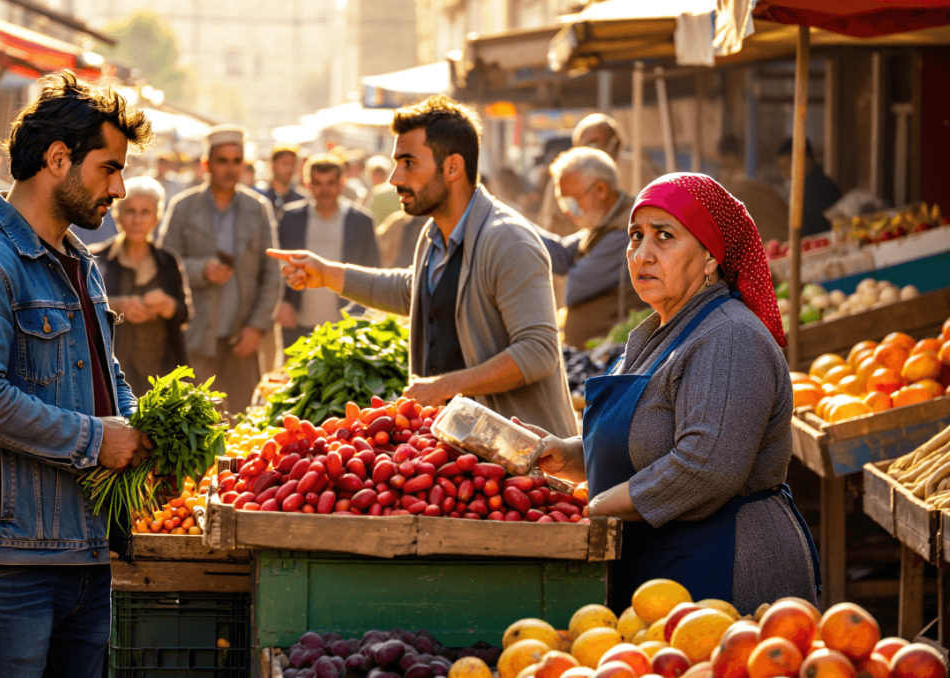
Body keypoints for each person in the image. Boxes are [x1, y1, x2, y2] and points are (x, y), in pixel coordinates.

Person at [0, 73, 153, 675]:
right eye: (109, 168)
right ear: (59, 159)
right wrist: (98, 440)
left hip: (87, 551)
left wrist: (138, 427)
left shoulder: (81, 264)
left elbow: (108, 374)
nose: (121, 188)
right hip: (11, 562)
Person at [532, 172, 820, 614]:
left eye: (664, 237)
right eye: (635, 236)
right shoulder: (658, 333)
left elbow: (707, 467)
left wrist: (597, 506)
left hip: (728, 573)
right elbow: (651, 435)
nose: (642, 254)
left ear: (709, 256)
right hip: (668, 568)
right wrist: (573, 456)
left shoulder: (728, 337)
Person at [269, 95, 575, 436]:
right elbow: (412, 289)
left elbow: (538, 352)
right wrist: (326, 274)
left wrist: (444, 386)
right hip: (466, 451)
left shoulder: (507, 240)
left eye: (409, 163)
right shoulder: (434, 234)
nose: (395, 178)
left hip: (524, 458)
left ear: (453, 167)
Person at [158, 125, 282, 414]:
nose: (230, 168)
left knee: (241, 428)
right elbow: (164, 266)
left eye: (236, 161)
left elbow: (271, 273)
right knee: (196, 425)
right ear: (206, 164)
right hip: (197, 339)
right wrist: (201, 270)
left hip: (243, 339)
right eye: (222, 161)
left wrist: (256, 327)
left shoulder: (257, 208)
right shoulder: (183, 207)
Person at [90, 176, 191, 391]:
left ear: (156, 218)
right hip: (109, 377)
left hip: (161, 376)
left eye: (145, 212)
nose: (137, 220)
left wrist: (168, 306)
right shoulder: (96, 259)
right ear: (118, 216)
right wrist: (116, 306)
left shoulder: (167, 262)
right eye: (130, 211)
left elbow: (184, 315)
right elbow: (79, 310)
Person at [541, 147, 646, 349]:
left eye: (572, 201)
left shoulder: (625, 232)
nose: (568, 211)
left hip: (611, 360)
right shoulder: (602, 224)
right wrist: (513, 226)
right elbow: (562, 254)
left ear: (601, 189)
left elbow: (573, 287)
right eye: (563, 202)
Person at [276, 153, 381, 346]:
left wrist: (361, 317)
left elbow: (373, 270)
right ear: (307, 184)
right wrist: (281, 302)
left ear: (342, 183)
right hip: (298, 324)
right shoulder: (291, 217)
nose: (324, 190)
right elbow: (278, 262)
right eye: (317, 183)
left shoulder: (361, 220)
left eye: (330, 183)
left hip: (345, 326)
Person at [717, 134, 790, 244]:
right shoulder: (752, 183)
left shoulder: (743, 188)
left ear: (730, 158)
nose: (722, 169)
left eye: (722, 163)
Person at [776, 137, 842, 237]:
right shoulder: (808, 186)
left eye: (786, 167)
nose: (785, 175)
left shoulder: (818, 188)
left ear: (805, 159)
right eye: (782, 169)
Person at [256, 143, 306, 220]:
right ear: (273, 165)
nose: (289, 169)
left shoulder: (301, 200)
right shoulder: (258, 196)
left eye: (292, 164)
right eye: (285, 163)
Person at [364, 155, 401, 225]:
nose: (378, 177)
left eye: (381, 174)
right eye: (375, 174)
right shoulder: (368, 193)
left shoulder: (383, 192)